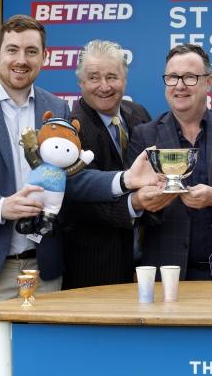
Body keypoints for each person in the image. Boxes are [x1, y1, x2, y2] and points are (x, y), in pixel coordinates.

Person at [0, 15, 152, 376]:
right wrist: (0, 206)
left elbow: (71, 181)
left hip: (44, 270)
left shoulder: (57, 107)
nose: (22, 60)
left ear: (44, 57)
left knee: (43, 366)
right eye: (13, 50)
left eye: (31, 51)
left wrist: (124, 179)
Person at [126, 43, 212, 281]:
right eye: (172, 77)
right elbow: (131, 199)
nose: (179, 85)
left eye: (190, 77)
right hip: (168, 271)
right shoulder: (145, 136)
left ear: (208, 82)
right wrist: (146, 200)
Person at [61, 40, 151, 289]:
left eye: (112, 77)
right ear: (80, 83)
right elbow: (79, 199)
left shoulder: (139, 114)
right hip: (93, 268)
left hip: (143, 264)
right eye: (93, 78)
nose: (104, 86)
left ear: (125, 79)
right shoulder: (70, 128)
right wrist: (134, 204)